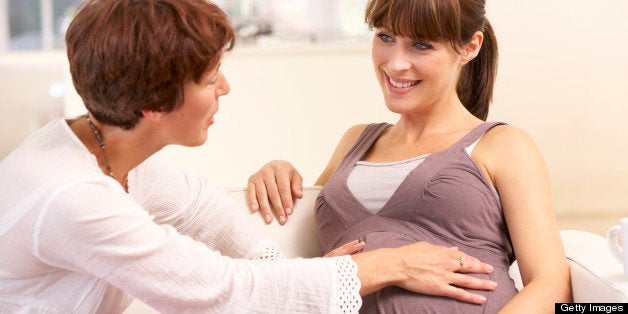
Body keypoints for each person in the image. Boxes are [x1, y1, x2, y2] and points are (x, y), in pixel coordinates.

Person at [0, 0, 499, 313]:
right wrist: (388, 266)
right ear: (153, 105)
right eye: (208, 77)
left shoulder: (99, 146)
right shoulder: (72, 198)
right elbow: (220, 292)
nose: (226, 86)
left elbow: (202, 209)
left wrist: (281, 267)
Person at [247, 0, 572, 312]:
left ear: (470, 47)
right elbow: (295, 244)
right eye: (385, 37)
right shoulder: (355, 141)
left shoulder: (502, 145)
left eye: (421, 45)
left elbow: (550, 284)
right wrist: (278, 170)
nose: (396, 63)